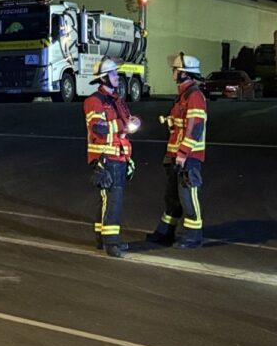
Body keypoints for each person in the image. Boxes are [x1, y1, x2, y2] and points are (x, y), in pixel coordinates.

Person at [147, 52, 208, 249]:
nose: (172, 72)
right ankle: (165, 232)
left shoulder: (194, 96)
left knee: (188, 197)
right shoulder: (183, 95)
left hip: (188, 157)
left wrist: (183, 153)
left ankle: (193, 236)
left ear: (184, 73)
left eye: (175, 69)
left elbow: (195, 127)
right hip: (175, 155)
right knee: (172, 197)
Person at [83, 57, 141, 258]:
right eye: (114, 74)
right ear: (104, 78)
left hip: (119, 156)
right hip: (106, 157)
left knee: (108, 199)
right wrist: (121, 124)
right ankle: (111, 243)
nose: (118, 77)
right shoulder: (94, 101)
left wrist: (134, 121)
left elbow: (126, 123)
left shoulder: (117, 100)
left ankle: (102, 238)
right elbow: (97, 127)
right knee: (113, 200)